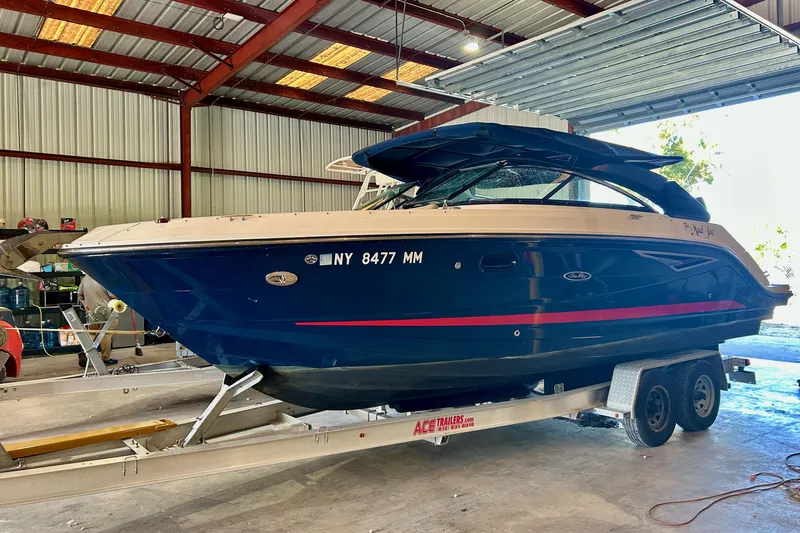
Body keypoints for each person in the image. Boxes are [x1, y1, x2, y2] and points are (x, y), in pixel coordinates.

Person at [77, 275, 118, 366]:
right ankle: (106, 358)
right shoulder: (104, 278)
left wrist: (86, 305)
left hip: (91, 311)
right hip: (107, 311)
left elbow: (79, 294)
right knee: (106, 334)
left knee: (92, 332)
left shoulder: (85, 278)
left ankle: (85, 352)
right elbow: (113, 296)